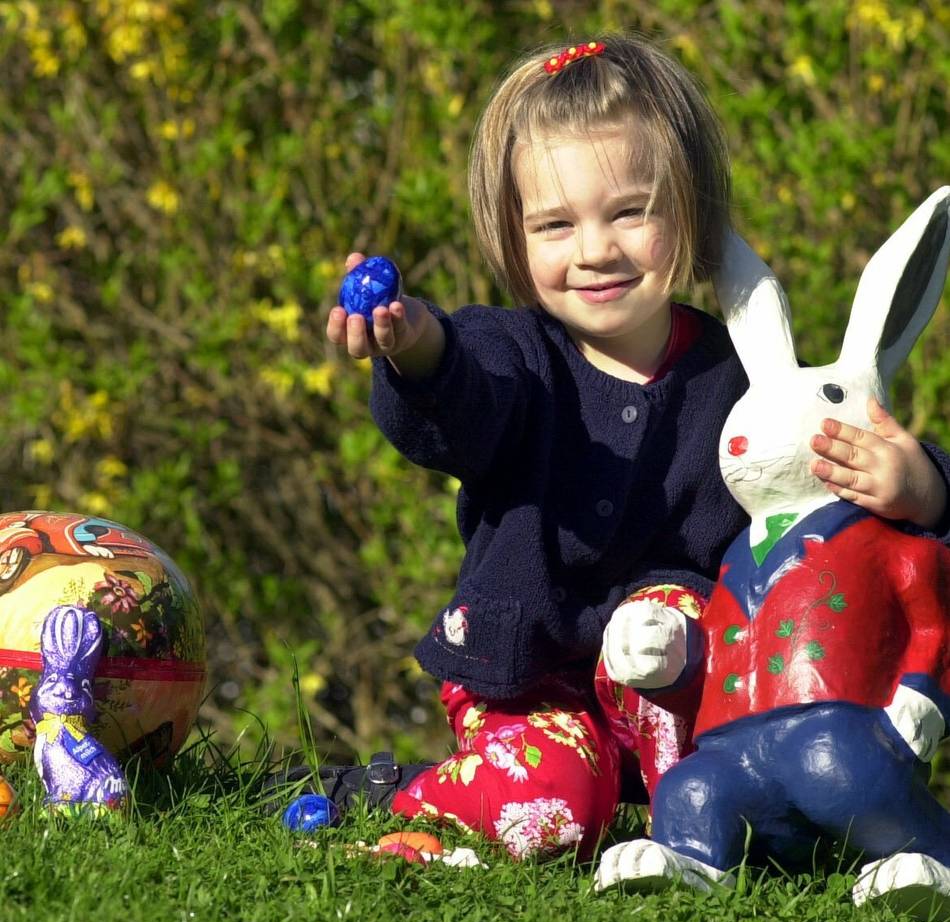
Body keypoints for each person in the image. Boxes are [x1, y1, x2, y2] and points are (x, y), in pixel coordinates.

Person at [315, 34, 950, 860]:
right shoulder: (517, 354)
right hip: (525, 682)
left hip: (684, 695)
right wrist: (418, 347)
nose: (595, 250)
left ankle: (680, 832)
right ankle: (395, 795)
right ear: (512, 234)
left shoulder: (742, 384)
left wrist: (922, 486)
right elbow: (460, 402)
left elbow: (827, 483)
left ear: (686, 212)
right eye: (554, 224)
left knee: (678, 625)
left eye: (628, 212)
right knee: (552, 811)